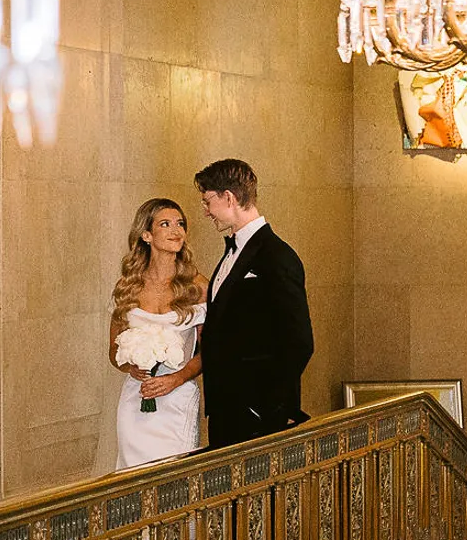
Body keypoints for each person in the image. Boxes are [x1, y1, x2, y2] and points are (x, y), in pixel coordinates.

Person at [194, 157, 313, 446]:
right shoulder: (232, 252)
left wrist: (266, 410)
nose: (206, 211)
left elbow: (299, 342)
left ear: (229, 198)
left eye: (208, 201)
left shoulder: (278, 256)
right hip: (225, 411)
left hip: (257, 418)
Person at [106, 198, 207, 469]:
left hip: (178, 399)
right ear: (146, 235)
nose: (176, 230)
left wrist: (176, 379)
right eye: (165, 224)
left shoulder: (197, 287)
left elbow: (209, 351)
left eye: (180, 224)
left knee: (176, 476)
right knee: (133, 474)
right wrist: (130, 367)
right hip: (136, 400)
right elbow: (113, 352)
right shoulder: (127, 286)